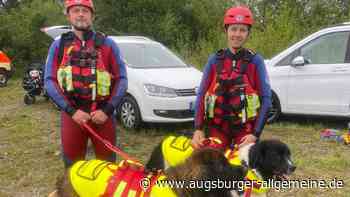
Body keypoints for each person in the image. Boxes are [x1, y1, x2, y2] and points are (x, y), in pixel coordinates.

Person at [44, 0, 127, 168]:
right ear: (68, 15)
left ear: (92, 16)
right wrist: (72, 111)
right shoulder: (59, 45)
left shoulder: (108, 44)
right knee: (73, 168)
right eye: (76, 10)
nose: (81, 14)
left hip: (103, 116)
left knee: (107, 168)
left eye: (85, 11)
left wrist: (107, 110)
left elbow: (122, 79)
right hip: (72, 115)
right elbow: (49, 81)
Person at [192, 5, 271, 149]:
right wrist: (198, 128)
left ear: (248, 33)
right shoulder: (214, 60)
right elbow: (201, 94)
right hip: (218, 129)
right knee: (211, 164)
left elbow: (266, 99)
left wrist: (255, 134)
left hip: (245, 130)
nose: (237, 34)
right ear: (226, 30)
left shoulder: (256, 61)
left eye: (242, 30)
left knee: (245, 165)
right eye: (233, 29)